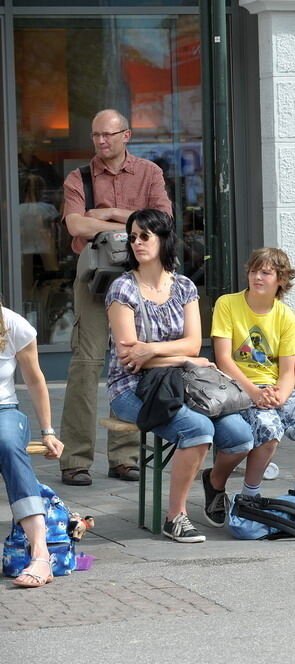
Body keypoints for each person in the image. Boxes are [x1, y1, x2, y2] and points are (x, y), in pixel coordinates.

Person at [105, 209, 251, 542]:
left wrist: (154, 350)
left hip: (182, 382)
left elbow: (192, 342)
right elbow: (131, 358)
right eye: (133, 237)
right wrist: (182, 357)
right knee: (198, 429)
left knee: (241, 436)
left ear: (163, 239)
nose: (138, 243)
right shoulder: (123, 289)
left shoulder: (183, 286)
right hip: (132, 387)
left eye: (145, 235)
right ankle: (176, 516)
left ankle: (214, 482)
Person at [59, 109, 173, 487]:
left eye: (108, 135)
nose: (101, 141)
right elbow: (76, 225)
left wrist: (108, 213)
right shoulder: (79, 177)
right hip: (93, 275)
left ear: (127, 135)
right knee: (86, 363)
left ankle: (124, 457)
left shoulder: (149, 173)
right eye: (95, 135)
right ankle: (75, 459)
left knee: (133, 359)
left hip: (139, 275)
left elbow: (165, 220)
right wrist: (136, 223)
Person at [203, 248, 295, 527]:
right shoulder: (228, 304)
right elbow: (224, 359)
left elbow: (288, 371)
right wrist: (254, 392)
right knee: (269, 429)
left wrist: (280, 396)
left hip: (274, 389)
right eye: (254, 271)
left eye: (266, 272)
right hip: (237, 386)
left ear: (280, 280)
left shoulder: (286, 316)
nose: (257, 277)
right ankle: (249, 496)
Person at [0, 300, 65, 586]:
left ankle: (40, 555)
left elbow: (36, 380)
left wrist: (48, 431)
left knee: (7, 445)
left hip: (4, 410)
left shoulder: (15, 325)